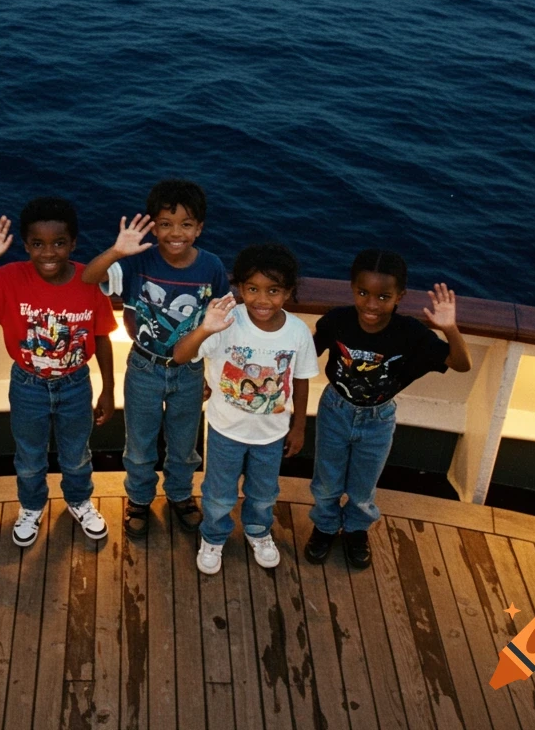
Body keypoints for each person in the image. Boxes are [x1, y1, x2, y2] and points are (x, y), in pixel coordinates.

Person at [0, 197, 116, 546]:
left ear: (73, 244)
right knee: (29, 457)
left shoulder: (89, 280)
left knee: (77, 454)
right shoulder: (9, 278)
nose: (49, 253)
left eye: (59, 243)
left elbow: (102, 335)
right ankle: (31, 506)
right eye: (38, 244)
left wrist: (108, 389)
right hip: (27, 386)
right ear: (26, 245)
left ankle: (79, 501)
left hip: (76, 385)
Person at [304, 249, 472, 569]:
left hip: (378, 419)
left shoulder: (411, 334)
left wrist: (449, 328)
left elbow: (461, 364)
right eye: (363, 293)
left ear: (399, 297)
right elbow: (304, 354)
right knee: (326, 482)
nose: (371, 304)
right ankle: (325, 526)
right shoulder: (336, 321)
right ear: (352, 288)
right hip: (335, 410)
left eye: (383, 297)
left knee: (363, 486)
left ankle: (355, 530)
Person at [82, 179, 230, 538]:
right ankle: (139, 498)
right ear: (153, 227)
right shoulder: (138, 261)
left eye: (186, 224)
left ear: (199, 228)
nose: (175, 233)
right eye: (165, 224)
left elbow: (219, 324)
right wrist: (117, 251)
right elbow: (89, 277)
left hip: (190, 370)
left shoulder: (212, 266)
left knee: (183, 444)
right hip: (143, 367)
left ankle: (180, 494)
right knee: (139, 444)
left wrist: (211, 373)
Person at [173, 244, 320, 574]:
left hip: (272, 436)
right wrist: (206, 327)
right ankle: (213, 536)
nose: (262, 299)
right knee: (218, 493)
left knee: (264, 492)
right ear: (239, 287)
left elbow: (301, 379)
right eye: (252, 289)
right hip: (224, 431)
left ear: (288, 292)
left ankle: (258, 530)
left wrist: (299, 427)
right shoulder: (227, 321)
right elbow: (181, 355)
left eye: (273, 291)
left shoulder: (297, 331)